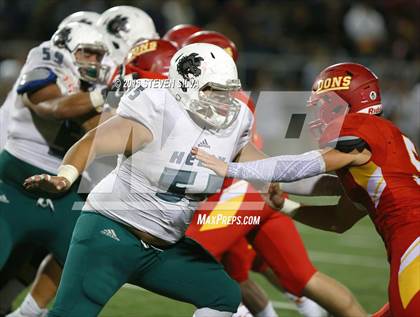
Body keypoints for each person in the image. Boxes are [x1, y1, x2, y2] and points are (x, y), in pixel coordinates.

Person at [23, 43, 253, 317]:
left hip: (165, 249)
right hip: (112, 233)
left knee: (223, 295)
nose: (223, 100)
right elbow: (92, 143)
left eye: (228, 91)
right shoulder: (157, 109)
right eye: (214, 90)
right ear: (186, 84)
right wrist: (65, 177)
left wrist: (311, 169)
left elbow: (266, 167)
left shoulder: (233, 123)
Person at [193, 62, 420, 317]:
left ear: (347, 101)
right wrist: (285, 205)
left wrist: (232, 169)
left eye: (325, 105)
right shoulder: (380, 154)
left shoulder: (362, 126)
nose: (319, 115)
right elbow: (338, 220)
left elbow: (305, 166)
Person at [0, 21, 112, 317]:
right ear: (66, 48)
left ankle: (25, 314)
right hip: (16, 178)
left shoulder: (98, 80)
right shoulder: (45, 58)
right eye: (87, 53)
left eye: (98, 55)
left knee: (85, 254)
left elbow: (97, 129)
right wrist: (103, 98)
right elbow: (51, 105)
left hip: (64, 182)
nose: (94, 62)